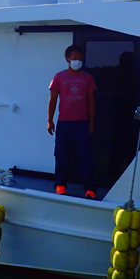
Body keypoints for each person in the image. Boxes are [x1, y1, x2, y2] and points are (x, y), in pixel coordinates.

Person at [47, 44, 97, 199]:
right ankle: (61, 185)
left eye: (80, 58)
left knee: (85, 156)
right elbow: (53, 100)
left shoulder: (87, 78)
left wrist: (91, 122)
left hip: (82, 123)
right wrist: (50, 120)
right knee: (62, 155)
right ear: (67, 59)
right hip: (64, 123)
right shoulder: (59, 77)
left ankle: (90, 189)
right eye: (74, 58)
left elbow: (91, 101)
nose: (77, 61)